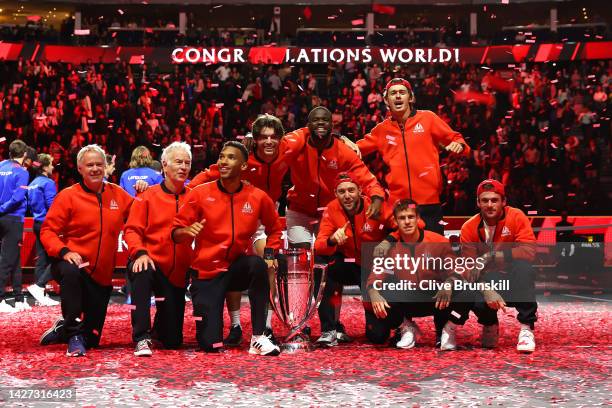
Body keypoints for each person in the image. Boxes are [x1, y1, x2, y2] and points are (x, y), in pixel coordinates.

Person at [189, 114, 303, 347]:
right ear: (255, 139)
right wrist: (184, 191)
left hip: (263, 220)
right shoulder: (243, 159)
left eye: (273, 137)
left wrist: (343, 138)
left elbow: (308, 131)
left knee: (268, 263)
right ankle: (235, 325)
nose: (269, 142)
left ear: (281, 139)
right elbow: (211, 173)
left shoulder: (288, 148)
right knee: (230, 259)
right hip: (236, 217)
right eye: (263, 137)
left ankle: (267, 327)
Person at [172, 141, 283, 356]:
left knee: (258, 265)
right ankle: (213, 326)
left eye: (231, 157)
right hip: (206, 273)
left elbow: (275, 228)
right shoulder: (199, 193)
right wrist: (185, 232)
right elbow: (175, 232)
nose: (223, 161)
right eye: (221, 156)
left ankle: (259, 337)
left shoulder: (258, 197)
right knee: (210, 344)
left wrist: (270, 253)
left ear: (243, 166)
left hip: (235, 269)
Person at [39, 144, 133, 357]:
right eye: (89, 165)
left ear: (106, 166)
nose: (95, 169)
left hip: (101, 277)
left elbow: (143, 212)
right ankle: (72, 333)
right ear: (80, 168)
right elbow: (47, 232)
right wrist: (64, 252)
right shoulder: (68, 196)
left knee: (92, 340)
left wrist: (146, 192)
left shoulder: (118, 194)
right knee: (71, 271)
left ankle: (64, 329)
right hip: (73, 264)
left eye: (99, 164)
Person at [357, 78, 471, 234]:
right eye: (393, 93)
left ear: (410, 97)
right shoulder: (382, 130)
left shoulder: (428, 119)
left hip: (430, 204)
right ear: (386, 100)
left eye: (402, 92)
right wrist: (339, 141)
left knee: (434, 256)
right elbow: (356, 150)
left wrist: (460, 145)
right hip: (399, 206)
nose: (398, 96)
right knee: (403, 257)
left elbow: (458, 140)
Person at [365, 199, 471, 350]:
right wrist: (373, 291)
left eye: (411, 217)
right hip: (407, 298)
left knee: (467, 288)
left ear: (418, 219)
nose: (407, 222)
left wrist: (449, 284)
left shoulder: (438, 241)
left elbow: (458, 269)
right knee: (376, 292)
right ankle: (406, 327)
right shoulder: (389, 247)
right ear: (396, 221)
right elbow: (377, 274)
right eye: (402, 218)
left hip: (437, 297)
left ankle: (449, 329)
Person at [124, 142, 193, 356]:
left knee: (173, 341)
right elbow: (132, 230)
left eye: (187, 163)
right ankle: (141, 337)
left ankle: (158, 330)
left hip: (178, 272)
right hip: (150, 262)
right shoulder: (147, 196)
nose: (183, 167)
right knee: (142, 270)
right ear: (164, 164)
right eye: (178, 162)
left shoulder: (195, 196)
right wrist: (140, 253)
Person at [313, 173, 395, 346]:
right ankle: (329, 329)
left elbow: (405, 227)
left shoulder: (375, 207)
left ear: (360, 191)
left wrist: (389, 240)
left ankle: (401, 324)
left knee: (378, 336)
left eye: (351, 190)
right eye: (342, 191)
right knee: (321, 263)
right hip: (348, 264)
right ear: (336, 193)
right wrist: (332, 240)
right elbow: (319, 245)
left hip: (374, 270)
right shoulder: (332, 208)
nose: (347, 195)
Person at [285, 106, 385, 248]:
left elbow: (368, 180)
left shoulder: (344, 152)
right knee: (302, 256)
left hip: (329, 213)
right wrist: (251, 138)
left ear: (332, 126)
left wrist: (376, 197)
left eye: (325, 120)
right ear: (308, 126)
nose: (320, 123)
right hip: (299, 210)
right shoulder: (298, 145)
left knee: (329, 258)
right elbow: (275, 145)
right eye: (316, 120)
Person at [460, 179, 538, 353]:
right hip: (489, 279)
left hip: (513, 276)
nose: (489, 205)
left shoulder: (516, 216)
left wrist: (494, 255)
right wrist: (486, 289)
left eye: (494, 200)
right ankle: (489, 323)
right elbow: (468, 268)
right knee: (471, 290)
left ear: (504, 201)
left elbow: (529, 251)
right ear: (478, 202)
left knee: (524, 268)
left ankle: (527, 328)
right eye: (485, 200)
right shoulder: (468, 228)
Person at [0, 140, 31, 313]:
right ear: (24, 154)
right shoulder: (22, 172)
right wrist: (3, 209)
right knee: (6, 261)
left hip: (2, 217)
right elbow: (18, 197)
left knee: (14, 258)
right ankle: (0, 299)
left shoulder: (0, 166)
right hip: (12, 218)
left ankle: (19, 297)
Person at [26, 153, 60, 307]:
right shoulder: (48, 183)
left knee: (42, 258)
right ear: (45, 167)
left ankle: (41, 294)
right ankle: (39, 286)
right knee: (58, 259)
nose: (53, 167)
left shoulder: (33, 182)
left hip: (36, 223)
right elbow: (53, 206)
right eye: (51, 164)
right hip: (48, 224)